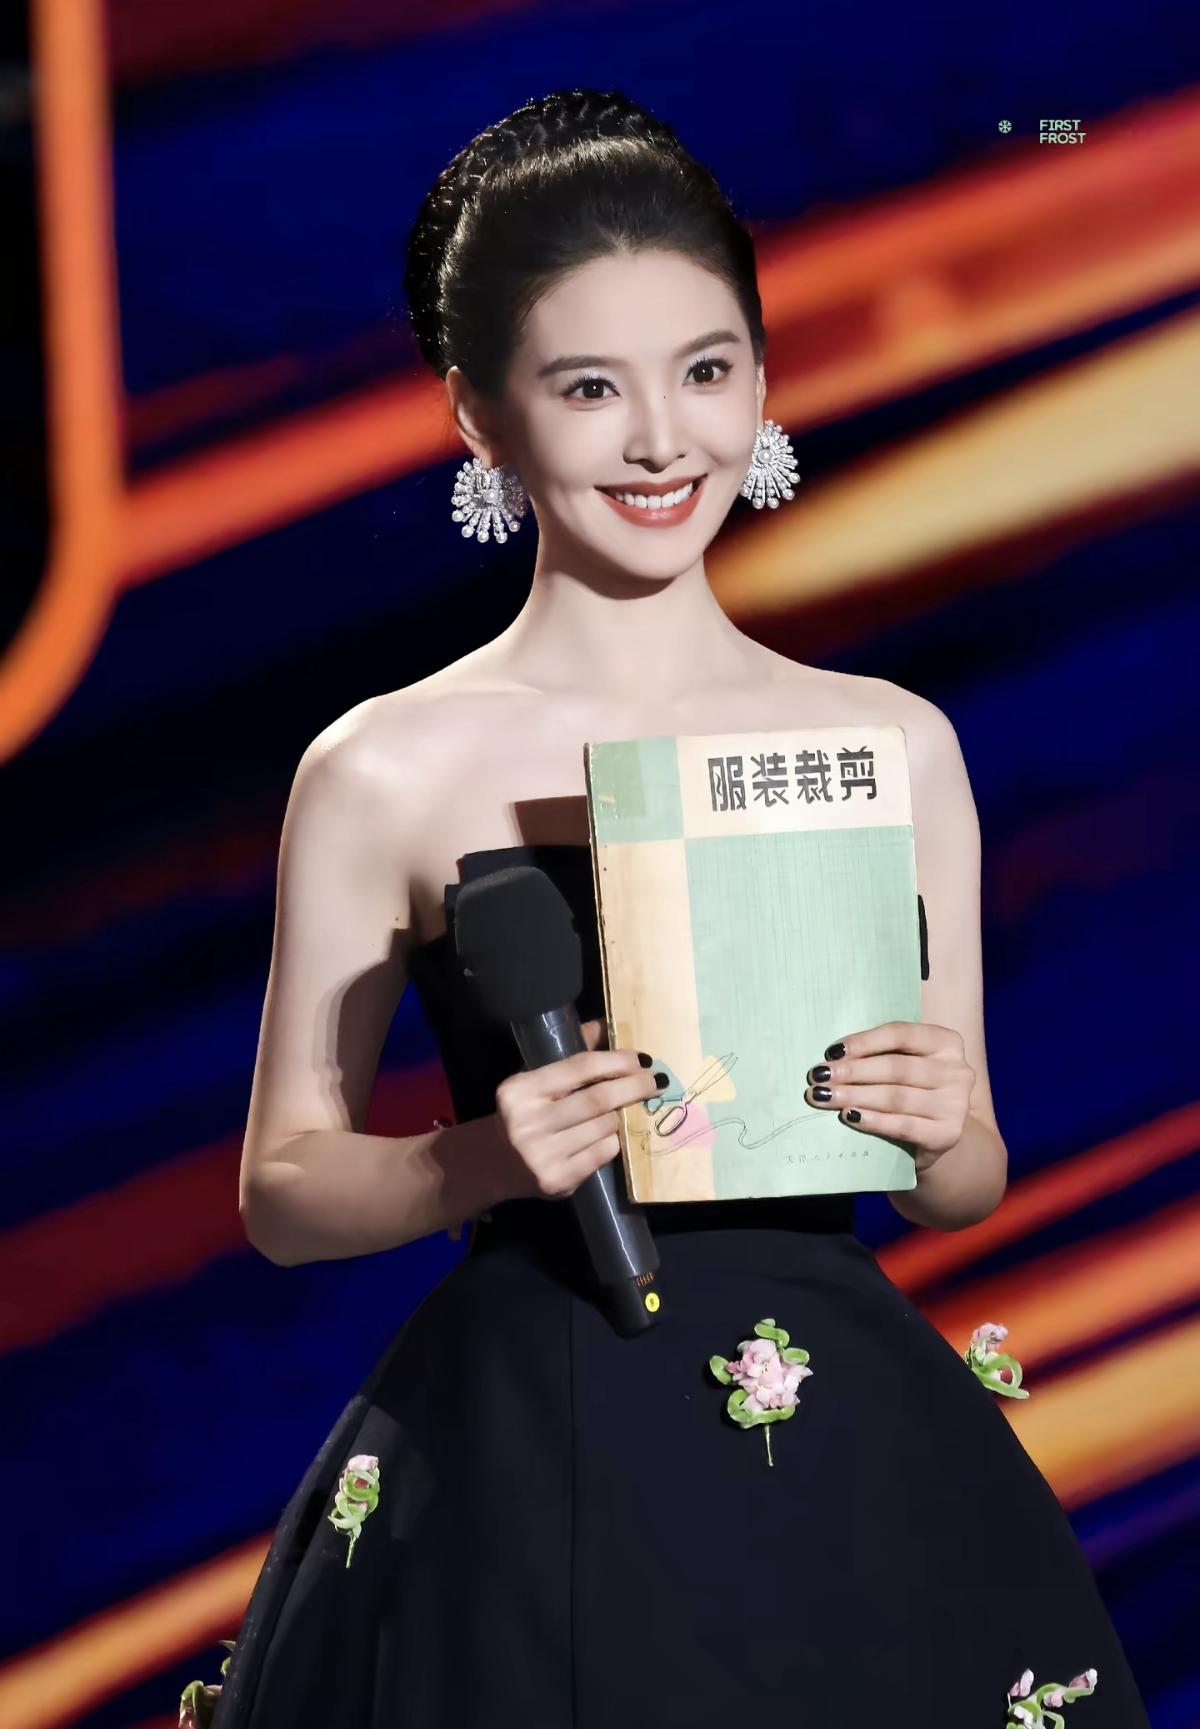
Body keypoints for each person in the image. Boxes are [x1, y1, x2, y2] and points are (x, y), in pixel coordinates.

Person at [193, 87, 1152, 1729]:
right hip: (529, 1452)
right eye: (590, 387)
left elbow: (966, 1179)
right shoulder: (386, 769)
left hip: (839, 1450)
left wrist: (939, 1128)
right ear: (479, 414)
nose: (661, 441)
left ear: (762, 381)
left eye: (706, 372)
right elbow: (285, 1185)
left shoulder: (890, 742)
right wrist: (479, 1158)